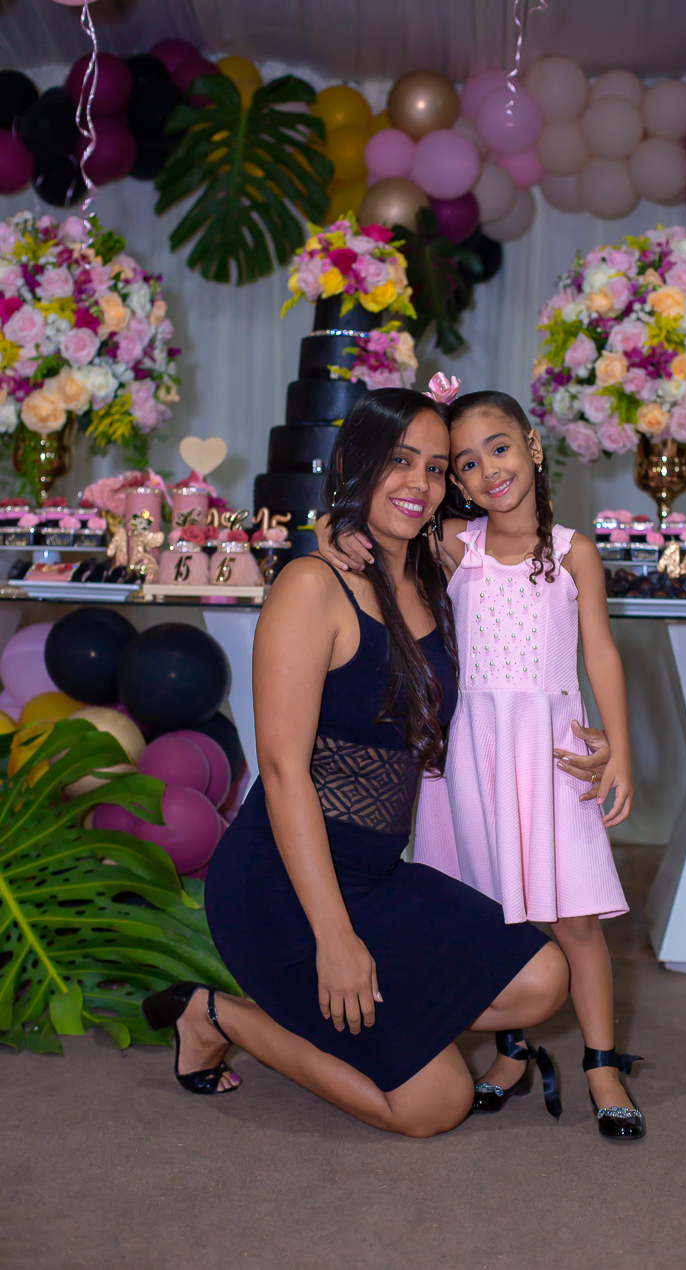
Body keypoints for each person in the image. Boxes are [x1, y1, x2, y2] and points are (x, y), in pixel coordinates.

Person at [142, 388, 571, 1138]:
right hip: (281, 888)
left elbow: (528, 564)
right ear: (352, 465)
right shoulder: (313, 586)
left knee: (542, 978)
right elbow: (281, 772)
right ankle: (212, 1016)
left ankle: (381, 1021)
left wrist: (591, 733)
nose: (419, 483)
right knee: (435, 1106)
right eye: (399, 461)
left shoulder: (433, 569)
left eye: (435, 467)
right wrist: (336, 940)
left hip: (376, 879)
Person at [321, 385, 644, 1142]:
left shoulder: (574, 552)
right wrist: (332, 532)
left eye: (498, 449)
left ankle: (601, 1064)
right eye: (464, 464)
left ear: (532, 446)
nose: (486, 471)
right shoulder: (453, 545)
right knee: (488, 912)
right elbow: (369, 524)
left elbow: (601, 652)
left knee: (573, 917)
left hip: (552, 755)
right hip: (471, 757)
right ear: (456, 482)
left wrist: (620, 747)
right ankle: (512, 1052)